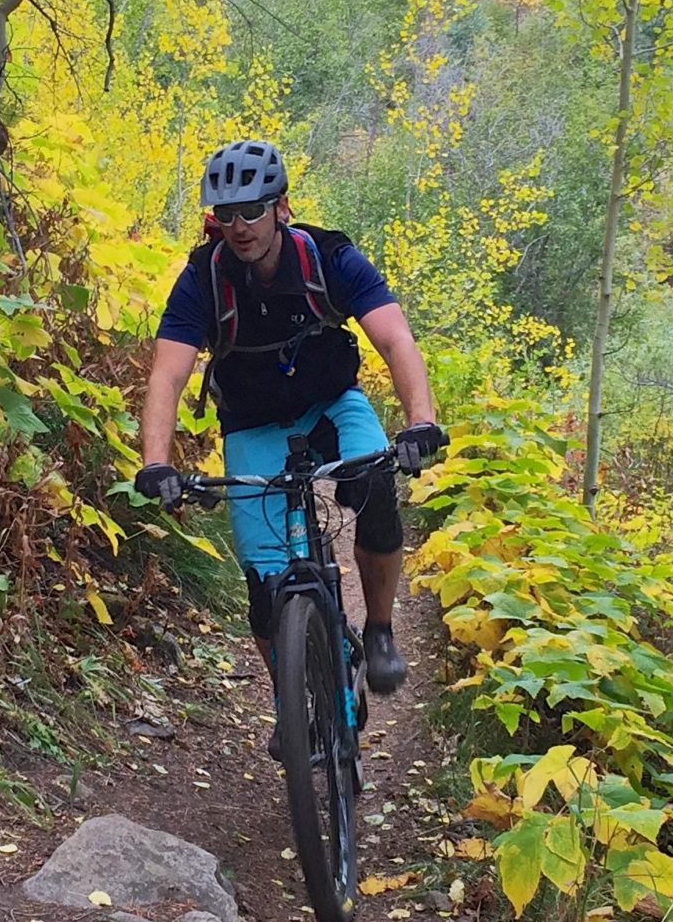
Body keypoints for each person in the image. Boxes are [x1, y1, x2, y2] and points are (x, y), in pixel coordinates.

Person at [133, 138, 446, 695]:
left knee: (375, 485)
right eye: (225, 214)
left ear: (282, 207)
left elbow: (396, 340)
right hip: (251, 424)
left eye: (252, 210)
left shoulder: (330, 260)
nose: (239, 226)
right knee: (262, 590)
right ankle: (291, 699)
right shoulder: (204, 279)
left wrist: (420, 421)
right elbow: (167, 375)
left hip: (330, 404)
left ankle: (378, 630)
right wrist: (156, 463)